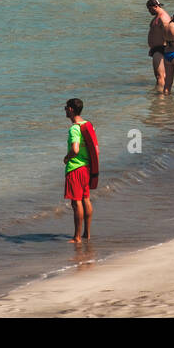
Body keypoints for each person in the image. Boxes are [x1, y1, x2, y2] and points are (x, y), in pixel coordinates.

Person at [63, 98, 97, 243]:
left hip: (75, 168)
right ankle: (86, 234)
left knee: (76, 203)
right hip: (87, 168)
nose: (64, 110)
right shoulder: (87, 125)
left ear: (71, 109)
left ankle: (77, 237)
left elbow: (75, 149)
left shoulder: (74, 128)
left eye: (65, 108)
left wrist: (66, 158)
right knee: (86, 199)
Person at [146, 0, 171, 89]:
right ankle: (162, 96)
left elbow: (169, 33)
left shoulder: (163, 18)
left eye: (149, 9)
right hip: (156, 49)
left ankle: (160, 98)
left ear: (156, 6)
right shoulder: (158, 17)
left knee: (160, 76)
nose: (149, 11)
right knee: (159, 76)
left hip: (161, 49)